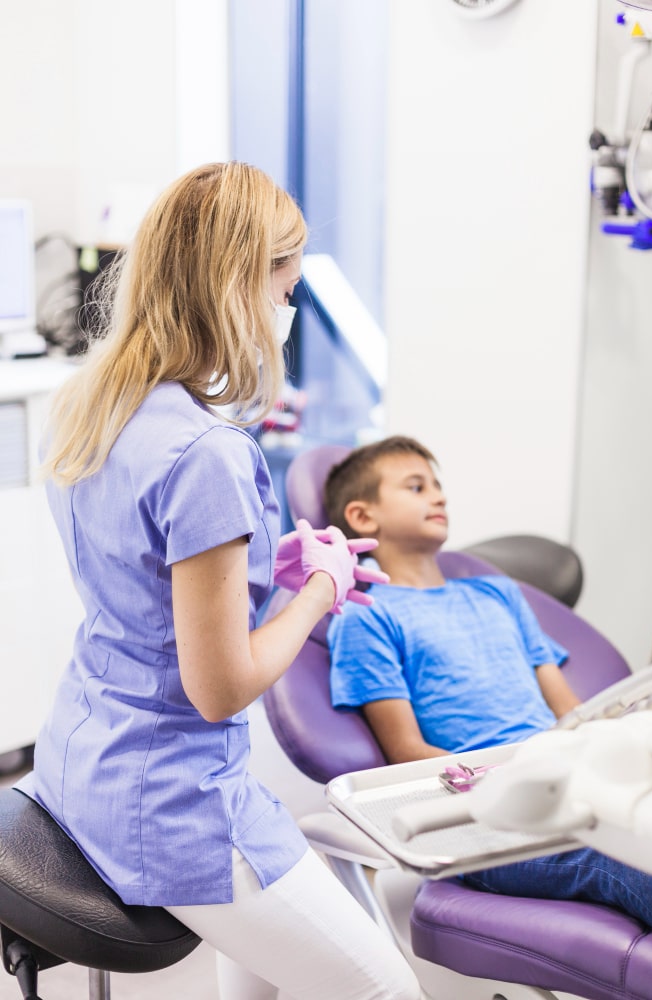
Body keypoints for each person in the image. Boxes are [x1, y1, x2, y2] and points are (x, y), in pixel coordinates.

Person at [17, 164, 420, 1000]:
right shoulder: (209, 454)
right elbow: (219, 689)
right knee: (386, 989)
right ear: (239, 292)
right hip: (169, 803)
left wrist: (253, 572)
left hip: (80, 759)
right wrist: (320, 586)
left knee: (273, 971)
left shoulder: (93, 401)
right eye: (286, 289)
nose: (290, 311)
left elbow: (136, 578)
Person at [325, 434, 652, 937]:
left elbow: (572, 713)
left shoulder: (498, 594)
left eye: (438, 485)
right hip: (490, 815)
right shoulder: (367, 616)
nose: (439, 496)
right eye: (417, 487)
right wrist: (506, 786)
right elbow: (406, 751)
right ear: (362, 517)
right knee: (634, 854)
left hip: (570, 783)